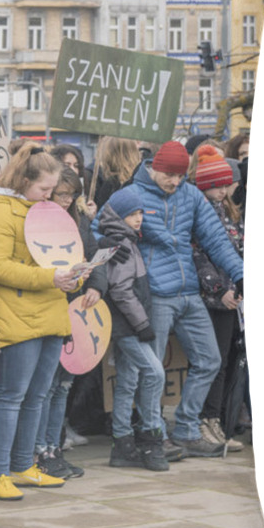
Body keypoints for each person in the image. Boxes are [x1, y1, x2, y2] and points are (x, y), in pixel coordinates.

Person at [95, 140, 244, 458]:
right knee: (152, 372)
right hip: (153, 295)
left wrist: (241, 273)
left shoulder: (190, 194)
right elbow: (97, 228)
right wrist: (109, 241)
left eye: (180, 176)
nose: (175, 182)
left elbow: (216, 239)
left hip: (189, 291)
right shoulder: (132, 193)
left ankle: (188, 429)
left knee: (209, 360)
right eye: (169, 175)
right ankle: (155, 434)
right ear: (155, 168)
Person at [0, 143, 86, 501]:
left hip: (50, 313)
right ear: (24, 180)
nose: (49, 196)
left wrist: (77, 274)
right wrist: (52, 278)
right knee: (11, 396)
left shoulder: (46, 211)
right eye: (43, 189)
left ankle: (24, 465)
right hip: (14, 316)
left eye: (53, 191)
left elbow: (64, 254)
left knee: (37, 396)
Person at [32, 167, 106, 478]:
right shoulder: (39, 216)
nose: (66, 201)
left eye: (70, 195)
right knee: (46, 387)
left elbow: (92, 254)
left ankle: (54, 446)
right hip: (48, 307)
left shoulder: (79, 218)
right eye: (61, 194)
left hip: (75, 310)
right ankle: (38, 450)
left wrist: (96, 285)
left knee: (63, 385)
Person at [97, 188, 168, 471]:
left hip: (125, 326)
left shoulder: (122, 241)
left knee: (128, 381)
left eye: (140, 213)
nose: (138, 219)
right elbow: (123, 291)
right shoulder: (122, 245)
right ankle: (152, 438)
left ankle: (122, 442)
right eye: (131, 214)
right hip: (128, 327)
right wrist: (143, 325)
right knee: (154, 372)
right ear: (119, 216)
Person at [191, 146, 245, 452]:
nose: (223, 191)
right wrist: (219, 290)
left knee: (223, 361)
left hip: (230, 298)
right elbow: (200, 256)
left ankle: (216, 420)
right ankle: (204, 417)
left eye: (226, 185)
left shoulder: (225, 211)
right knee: (210, 362)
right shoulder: (201, 211)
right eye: (217, 185)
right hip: (212, 298)